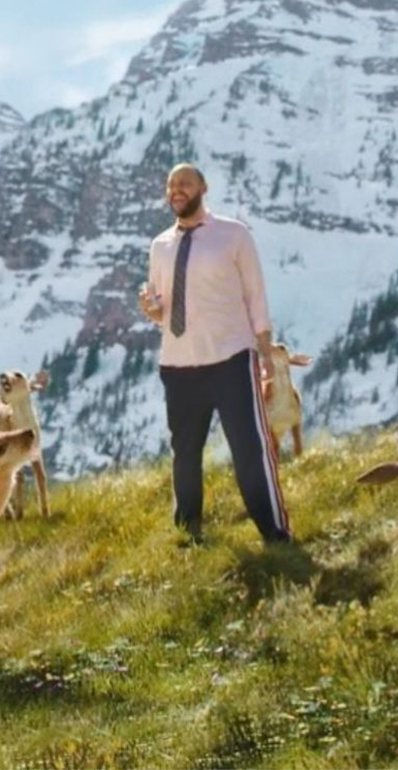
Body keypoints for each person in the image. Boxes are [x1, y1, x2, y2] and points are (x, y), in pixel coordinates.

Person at [138, 163, 292, 544]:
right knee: (185, 454)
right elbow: (163, 309)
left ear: (202, 187)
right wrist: (151, 310)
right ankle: (188, 533)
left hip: (231, 360)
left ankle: (275, 534)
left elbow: (255, 293)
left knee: (249, 449)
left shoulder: (233, 235)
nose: (176, 190)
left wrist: (264, 348)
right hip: (177, 366)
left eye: (185, 184)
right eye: (171, 185)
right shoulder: (159, 246)